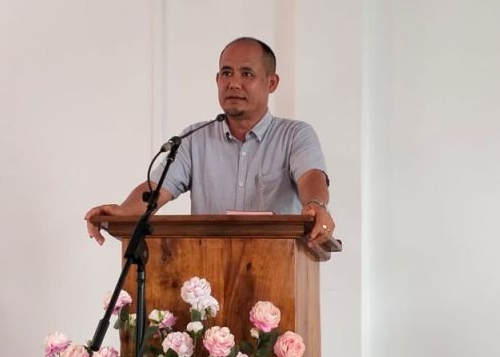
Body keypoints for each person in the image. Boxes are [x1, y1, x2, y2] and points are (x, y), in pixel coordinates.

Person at [85, 37, 335, 243]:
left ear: (271, 83)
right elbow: (156, 190)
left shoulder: (295, 135)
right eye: (226, 73)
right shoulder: (194, 139)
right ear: (217, 80)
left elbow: (311, 176)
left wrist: (315, 204)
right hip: (206, 281)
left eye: (247, 74)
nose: (234, 83)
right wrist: (122, 211)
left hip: (278, 268)